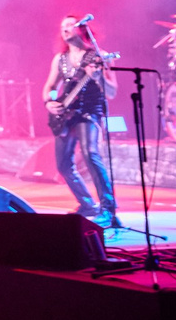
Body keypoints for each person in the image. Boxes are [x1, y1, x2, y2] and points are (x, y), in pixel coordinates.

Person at [42, 16, 119, 230]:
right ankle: (87, 204)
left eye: (70, 25)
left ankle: (108, 208)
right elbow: (48, 87)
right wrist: (49, 102)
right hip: (66, 113)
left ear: (82, 28)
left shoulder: (98, 55)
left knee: (90, 154)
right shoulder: (60, 59)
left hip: (89, 112)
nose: (65, 29)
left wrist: (97, 77)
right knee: (63, 164)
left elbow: (112, 92)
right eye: (62, 26)